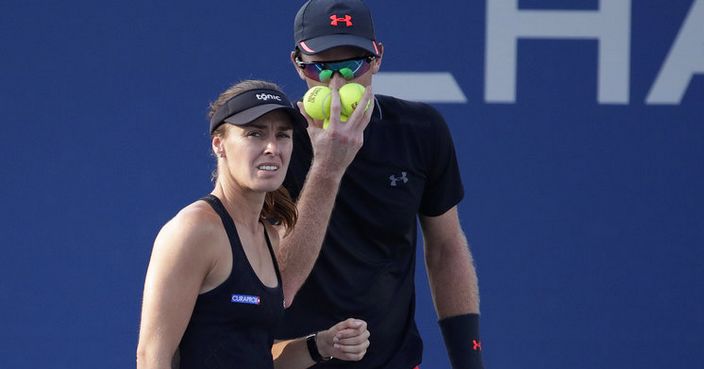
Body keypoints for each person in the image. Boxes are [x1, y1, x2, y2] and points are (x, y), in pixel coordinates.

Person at [273, 1, 485, 368]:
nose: (337, 83)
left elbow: (446, 247)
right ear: (297, 65)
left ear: (377, 58)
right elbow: (281, 283)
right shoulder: (274, 147)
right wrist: (328, 166)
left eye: (352, 65)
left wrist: (470, 363)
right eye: (319, 67)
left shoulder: (420, 131)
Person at [136, 80, 370, 369]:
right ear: (219, 144)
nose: (272, 147)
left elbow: (251, 356)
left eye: (282, 135)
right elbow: (151, 358)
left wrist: (320, 344)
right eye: (255, 134)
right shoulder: (196, 230)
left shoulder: (270, 236)